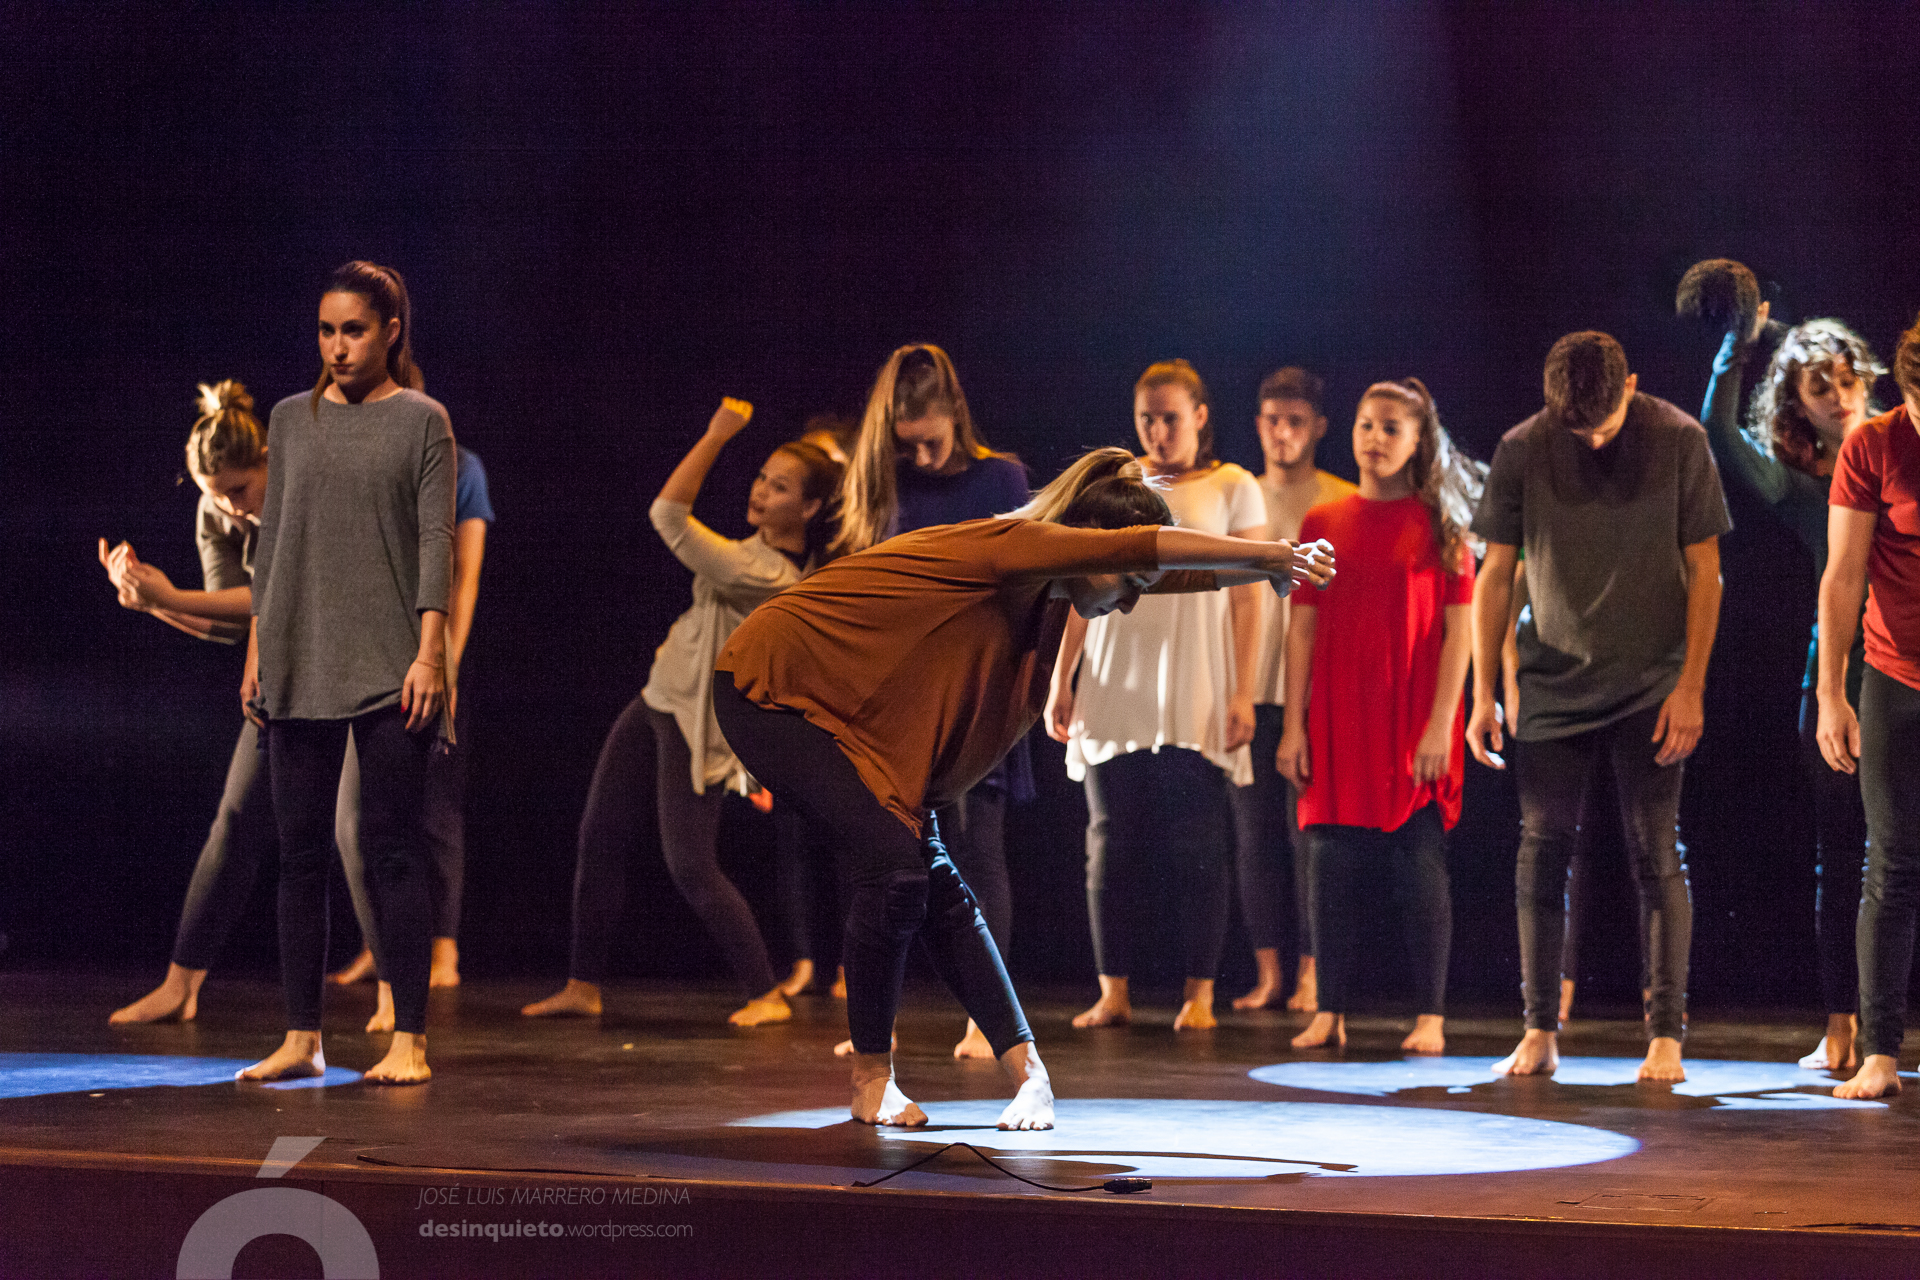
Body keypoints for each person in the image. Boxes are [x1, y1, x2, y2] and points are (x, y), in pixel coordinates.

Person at [713, 447, 1336, 1126]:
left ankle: (1029, 1075)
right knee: (894, 872)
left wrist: (1259, 570)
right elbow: (1141, 551)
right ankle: (871, 1079)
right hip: (775, 689)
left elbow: (1158, 569)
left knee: (940, 887)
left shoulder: (1049, 584)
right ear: (1087, 546)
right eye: (1128, 582)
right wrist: (1272, 553)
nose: (1132, 602)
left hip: (855, 716)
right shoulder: (1011, 543)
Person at [523, 399, 842, 1026]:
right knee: (599, 835)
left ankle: (766, 993)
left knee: (690, 864)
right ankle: (583, 985)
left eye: (779, 486)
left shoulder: (767, 572)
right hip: (658, 698)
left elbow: (667, 514)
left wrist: (717, 434)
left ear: (809, 509)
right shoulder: (751, 551)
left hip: (696, 722)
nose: (760, 490)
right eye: (761, 477)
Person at [1467, 330, 1730, 1084]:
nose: (1590, 440)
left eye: (1603, 426)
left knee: (1655, 849)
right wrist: (1484, 692)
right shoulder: (1523, 447)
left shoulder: (1678, 438)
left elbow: (1706, 571)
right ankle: (1539, 1031)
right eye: (1575, 429)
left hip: (1651, 681)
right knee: (1542, 847)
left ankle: (1666, 1036)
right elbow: (1495, 575)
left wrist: (1691, 686)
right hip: (1553, 680)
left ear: (1631, 385)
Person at [237, 260, 453, 1085]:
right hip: (300, 654)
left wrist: (429, 652)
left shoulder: (423, 420)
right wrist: (260, 648)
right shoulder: (290, 420)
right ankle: (303, 1037)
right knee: (299, 855)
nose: (337, 347)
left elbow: (435, 540)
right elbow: (275, 542)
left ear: (390, 331)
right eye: (326, 331)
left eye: (353, 330)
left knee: (391, 850)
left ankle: (410, 1040)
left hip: (392, 662)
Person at [100, 381, 363, 1024]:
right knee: (237, 819)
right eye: (212, 494)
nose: (228, 506)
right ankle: (181, 985)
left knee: (357, 828)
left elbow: (275, 593)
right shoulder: (216, 512)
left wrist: (168, 596)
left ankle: (400, 999)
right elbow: (231, 622)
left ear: (269, 460)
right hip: (285, 675)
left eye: (239, 490)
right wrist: (150, 601)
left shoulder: (303, 486)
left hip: (353, 661)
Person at [1697, 287, 1883, 1070]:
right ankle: (1842, 1025)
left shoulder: (1904, 448)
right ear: (1797, 405)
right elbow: (1718, 433)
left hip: (1906, 673)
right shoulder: (1803, 484)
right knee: (1843, 857)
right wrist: (1738, 345)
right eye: (1818, 386)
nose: (1838, 395)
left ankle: (1882, 1030)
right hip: (1842, 680)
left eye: (1846, 378)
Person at [1049, 361, 1266, 1032]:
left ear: (1200, 416)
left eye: (1171, 417)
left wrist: (1244, 690)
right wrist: (1062, 677)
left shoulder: (1234, 484)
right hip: (1116, 676)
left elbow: (1251, 591)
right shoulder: (1117, 485)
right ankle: (1113, 990)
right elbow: (1084, 582)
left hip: (1195, 679)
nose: (1158, 430)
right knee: (1109, 839)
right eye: (1147, 417)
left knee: (1197, 839)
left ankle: (1199, 993)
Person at [831, 343, 1033, 1058]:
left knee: (976, 853)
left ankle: (988, 1022)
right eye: (905, 444)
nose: (918, 458)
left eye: (930, 442)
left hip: (976, 687)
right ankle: (873, 1027)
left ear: (955, 414)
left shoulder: (1002, 477)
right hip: (900, 695)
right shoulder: (884, 488)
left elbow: (1030, 583)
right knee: (885, 859)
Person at [1279, 379, 1480, 1054]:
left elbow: (1460, 632)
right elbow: (1301, 630)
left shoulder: (1443, 526)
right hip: (1339, 715)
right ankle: (1329, 1010)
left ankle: (1430, 1016)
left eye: (1392, 428)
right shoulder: (1321, 523)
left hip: (1412, 716)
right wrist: (1293, 725)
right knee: (1327, 864)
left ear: (1419, 441)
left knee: (1418, 864)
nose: (1375, 438)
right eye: (1367, 424)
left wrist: (1440, 723)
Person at [330, 444, 495, 1032]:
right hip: (367, 651)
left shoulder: (460, 466)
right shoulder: (369, 454)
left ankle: (442, 949)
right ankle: (382, 949)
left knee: (433, 808)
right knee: (361, 820)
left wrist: (447, 660)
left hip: (431, 652)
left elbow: (464, 575)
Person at [1230, 366, 1357, 1013]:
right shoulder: (1240, 497)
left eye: (1296, 422)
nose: (1283, 433)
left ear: (1319, 428)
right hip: (1249, 689)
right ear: (1258, 425)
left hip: (1313, 693)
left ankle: (1312, 973)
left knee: (1309, 838)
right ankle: (1269, 975)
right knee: (1254, 838)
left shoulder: (1339, 499)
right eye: (1273, 421)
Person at [1819, 312, 1920, 1101]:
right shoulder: (1874, 445)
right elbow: (1844, 574)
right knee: (1892, 862)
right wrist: (1832, 692)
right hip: (1894, 673)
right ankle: (1880, 1052)